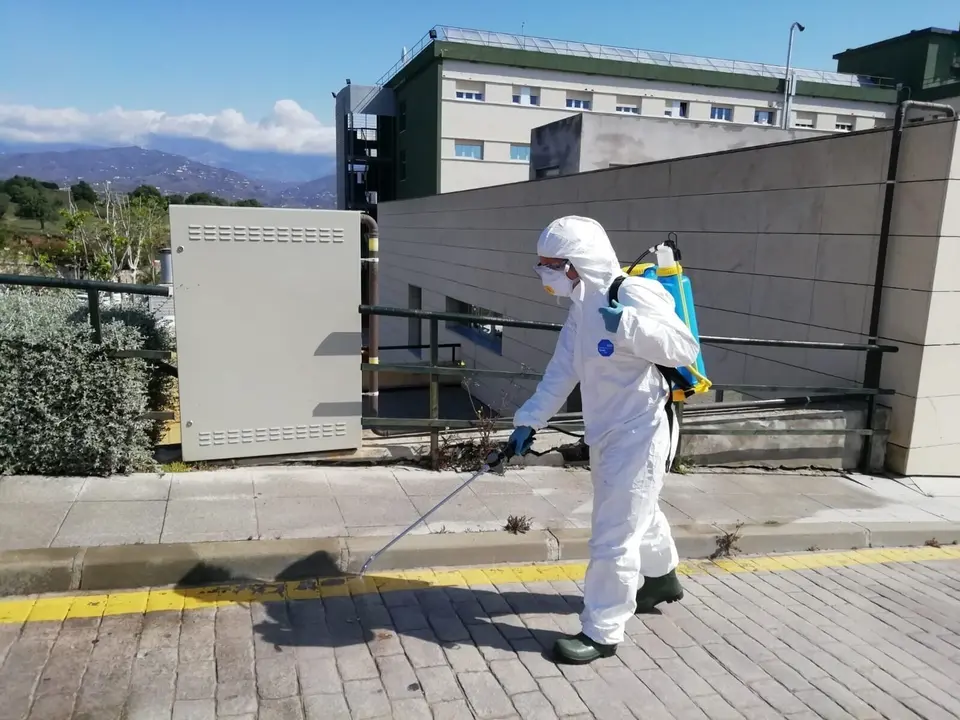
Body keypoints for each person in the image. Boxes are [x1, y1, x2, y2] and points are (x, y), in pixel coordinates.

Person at [507, 215, 701, 665]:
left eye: (550, 265)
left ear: (577, 264)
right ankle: (662, 578)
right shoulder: (581, 307)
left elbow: (683, 348)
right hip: (607, 431)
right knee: (638, 510)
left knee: (613, 536)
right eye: (541, 265)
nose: (544, 274)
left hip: (642, 431)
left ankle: (602, 631)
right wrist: (528, 421)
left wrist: (630, 326)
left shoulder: (632, 294)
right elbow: (562, 371)